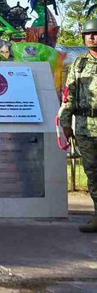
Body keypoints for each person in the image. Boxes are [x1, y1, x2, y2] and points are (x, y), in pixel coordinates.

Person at [59, 17, 97, 233]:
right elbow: (69, 96)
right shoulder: (79, 63)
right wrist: (65, 123)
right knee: (92, 173)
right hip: (85, 128)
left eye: (95, 33)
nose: (92, 37)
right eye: (89, 34)